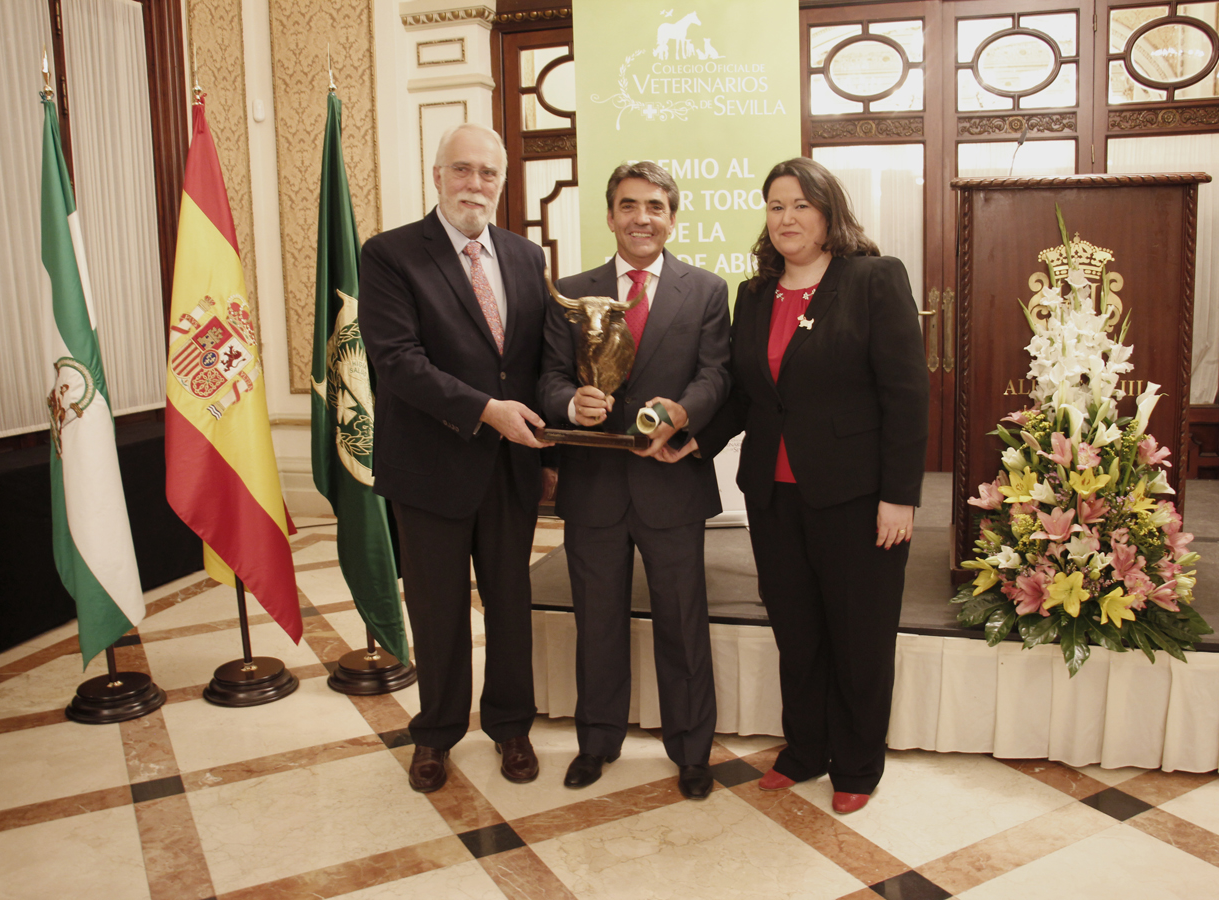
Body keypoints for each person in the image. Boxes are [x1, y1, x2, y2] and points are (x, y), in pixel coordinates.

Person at [668, 157, 928, 814]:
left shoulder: (873, 279)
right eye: (776, 206)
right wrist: (695, 437)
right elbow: (751, 398)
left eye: (801, 206)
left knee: (859, 634)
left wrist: (900, 495)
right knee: (798, 629)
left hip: (859, 497)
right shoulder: (754, 294)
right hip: (774, 494)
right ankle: (805, 749)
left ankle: (859, 763)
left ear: (828, 213)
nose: (787, 218)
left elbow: (907, 395)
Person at [358, 123, 552, 793]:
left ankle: (510, 726)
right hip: (430, 465)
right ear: (435, 176)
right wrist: (484, 411)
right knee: (437, 611)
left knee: (510, 603)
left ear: (502, 182)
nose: (475, 183)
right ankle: (436, 734)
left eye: (488, 173)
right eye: (462, 169)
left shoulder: (527, 258)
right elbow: (397, 362)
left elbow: (532, 365)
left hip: (511, 469)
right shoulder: (388, 255)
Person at [538, 161, 731, 799]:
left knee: (682, 622)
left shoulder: (705, 290)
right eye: (627, 205)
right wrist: (571, 404)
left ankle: (692, 750)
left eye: (654, 206)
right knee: (596, 621)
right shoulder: (569, 289)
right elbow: (549, 378)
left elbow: (716, 376)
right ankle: (596, 742)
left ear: (672, 217)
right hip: (594, 483)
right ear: (611, 214)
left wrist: (684, 414)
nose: (641, 218)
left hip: (670, 479)